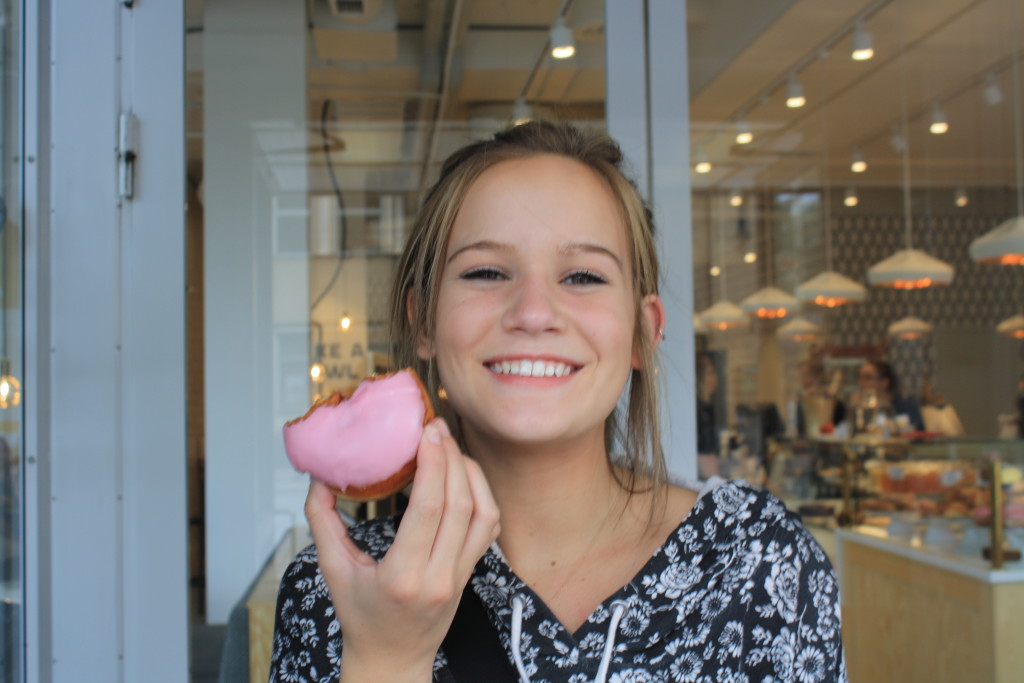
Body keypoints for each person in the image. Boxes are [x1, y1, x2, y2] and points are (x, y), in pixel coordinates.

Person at [269, 122, 846, 682]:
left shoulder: (761, 562)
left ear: (642, 332)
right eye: (487, 271)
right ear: (425, 323)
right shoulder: (336, 590)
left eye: (584, 277)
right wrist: (386, 661)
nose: (535, 313)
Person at [853, 360, 924, 433]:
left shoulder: (905, 404)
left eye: (868, 377)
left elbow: (916, 431)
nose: (862, 383)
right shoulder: (862, 407)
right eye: (860, 377)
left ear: (884, 382)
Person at [695, 352, 720, 478]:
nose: (715, 377)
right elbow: (704, 455)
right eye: (710, 373)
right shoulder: (698, 412)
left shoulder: (708, 407)